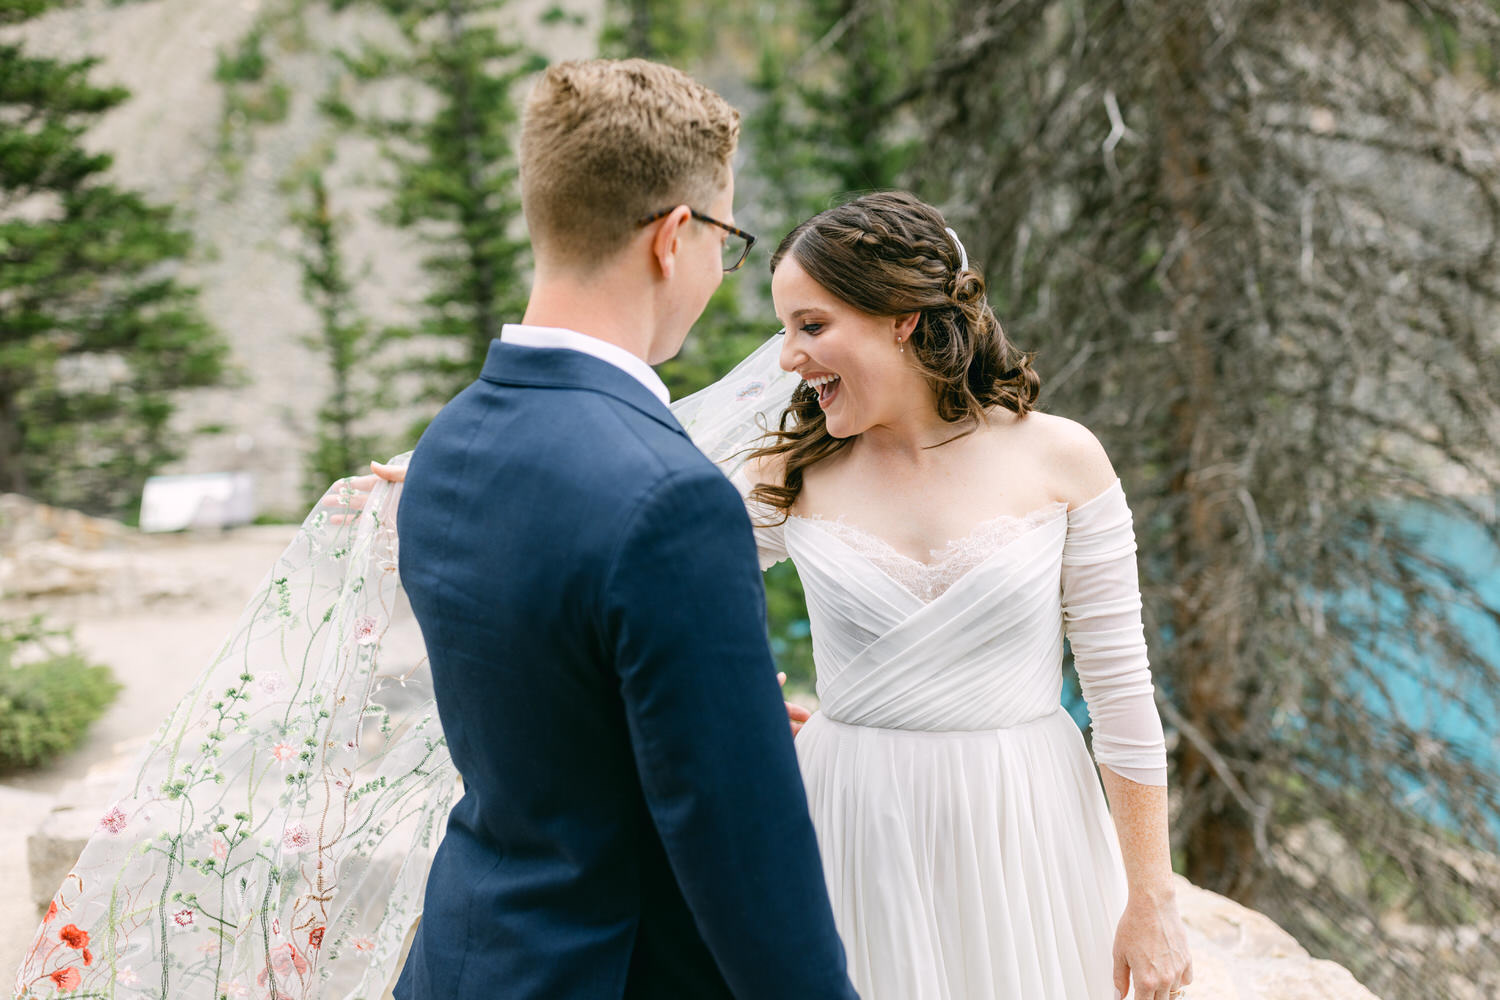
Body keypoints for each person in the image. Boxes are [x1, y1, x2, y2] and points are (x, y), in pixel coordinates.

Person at [11, 59, 857, 1000]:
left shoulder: (451, 441)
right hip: (609, 972)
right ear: (672, 238)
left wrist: (714, 709)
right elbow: (742, 848)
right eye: (726, 241)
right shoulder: (672, 498)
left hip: (470, 954)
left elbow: (547, 709)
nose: (716, 268)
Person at [369, 190, 1196, 1000]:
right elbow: (626, 536)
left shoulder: (1063, 460)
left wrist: (1151, 895)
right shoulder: (791, 474)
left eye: (812, 326)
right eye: (784, 329)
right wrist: (487, 476)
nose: (787, 358)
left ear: (902, 318)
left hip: (1025, 817)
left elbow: (1121, 695)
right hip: (852, 820)